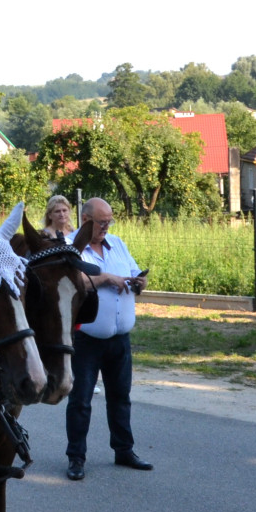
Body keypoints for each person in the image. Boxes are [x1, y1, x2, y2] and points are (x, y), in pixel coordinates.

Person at [65, 197, 152, 481]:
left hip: (119, 339)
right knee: (81, 400)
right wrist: (105, 279)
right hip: (87, 339)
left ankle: (124, 450)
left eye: (109, 221)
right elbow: (72, 283)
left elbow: (133, 271)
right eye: (101, 222)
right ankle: (76, 458)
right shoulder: (70, 246)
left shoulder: (118, 243)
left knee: (120, 397)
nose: (106, 227)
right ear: (86, 219)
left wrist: (139, 282)